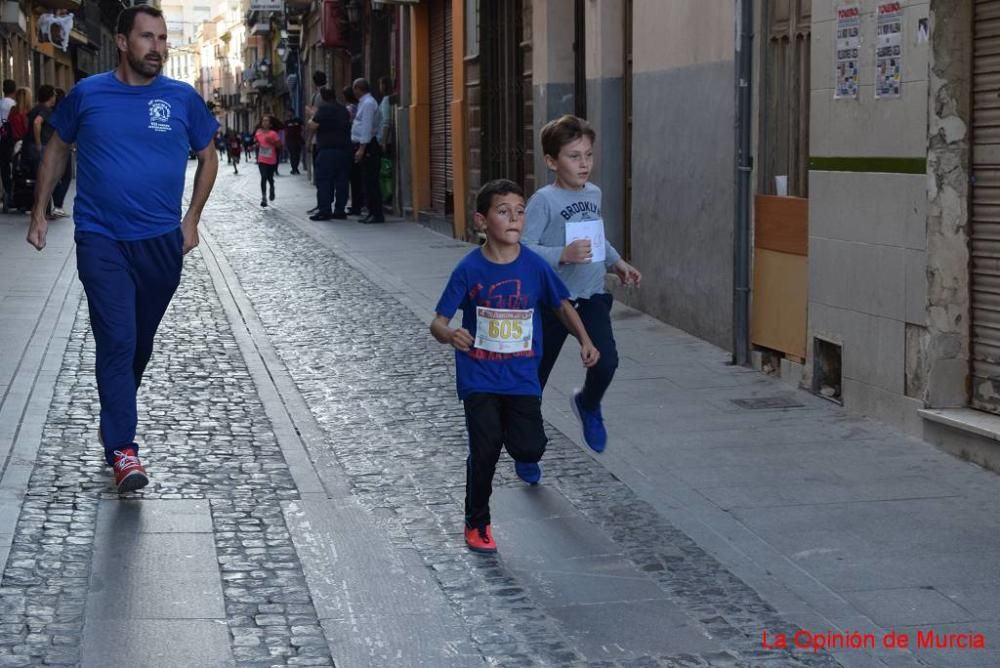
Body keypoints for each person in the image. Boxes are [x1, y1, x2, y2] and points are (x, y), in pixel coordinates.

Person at [25, 4, 219, 493]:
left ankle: (115, 412)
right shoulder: (88, 95)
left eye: (162, 38)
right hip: (101, 238)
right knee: (116, 339)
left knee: (139, 343)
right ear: (122, 41)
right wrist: (39, 210)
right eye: (147, 38)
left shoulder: (182, 98)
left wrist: (191, 219)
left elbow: (208, 155)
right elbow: (55, 147)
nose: (157, 47)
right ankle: (123, 449)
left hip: (160, 243)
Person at [430, 179, 599, 553]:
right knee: (486, 448)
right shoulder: (469, 269)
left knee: (528, 448)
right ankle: (477, 522)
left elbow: (561, 305)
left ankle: (509, 430)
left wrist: (585, 340)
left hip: (522, 376)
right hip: (480, 375)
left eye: (520, 212)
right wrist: (451, 334)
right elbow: (438, 321)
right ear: (481, 221)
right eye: (503, 211)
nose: (514, 219)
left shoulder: (535, 266)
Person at [522, 114, 642, 454]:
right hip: (551, 303)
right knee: (533, 380)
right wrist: (563, 253)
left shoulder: (594, 193)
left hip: (590, 296)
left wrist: (616, 262)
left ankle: (588, 405)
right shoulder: (543, 201)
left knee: (606, 362)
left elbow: (596, 234)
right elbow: (524, 249)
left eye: (588, 155)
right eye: (574, 156)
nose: (584, 163)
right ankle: (527, 448)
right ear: (551, 161)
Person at [307, 87, 351, 221]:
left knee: (325, 181)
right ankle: (340, 210)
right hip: (344, 149)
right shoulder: (343, 109)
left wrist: (311, 117)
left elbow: (313, 126)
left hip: (327, 149)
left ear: (323, 98)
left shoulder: (324, 110)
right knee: (342, 180)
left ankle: (325, 210)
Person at [351, 78, 383, 223]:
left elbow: (366, 127)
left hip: (368, 146)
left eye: (354, 88)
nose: (353, 92)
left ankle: (376, 213)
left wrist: (362, 149)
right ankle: (371, 211)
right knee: (366, 180)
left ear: (359, 88)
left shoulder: (368, 103)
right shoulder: (364, 103)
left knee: (370, 181)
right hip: (365, 145)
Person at [26, 84, 56, 179]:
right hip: (41, 147)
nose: (55, 98)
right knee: (44, 179)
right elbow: (37, 122)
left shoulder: (35, 108)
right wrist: (38, 144)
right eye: (54, 95)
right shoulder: (46, 110)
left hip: (30, 146)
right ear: (50, 97)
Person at [49, 88, 71, 218]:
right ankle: (58, 205)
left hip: (51, 147)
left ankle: (55, 204)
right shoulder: (64, 111)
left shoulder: (50, 111)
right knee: (66, 175)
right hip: (63, 147)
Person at [342, 85, 364, 216]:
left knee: (354, 177)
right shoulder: (360, 107)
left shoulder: (349, 109)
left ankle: (356, 205)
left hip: (352, 144)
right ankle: (359, 203)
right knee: (359, 177)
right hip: (359, 143)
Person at [254, 114, 280, 207]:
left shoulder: (273, 134)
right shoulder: (258, 132)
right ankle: (264, 198)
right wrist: (256, 145)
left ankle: (272, 188)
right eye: (263, 121)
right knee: (263, 177)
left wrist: (272, 142)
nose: (265, 122)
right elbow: (256, 142)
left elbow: (279, 146)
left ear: (270, 124)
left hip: (271, 160)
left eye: (267, 121)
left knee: (270, 178)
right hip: (261, 159)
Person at [376, 75, 394, 205]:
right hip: (384, 140)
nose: (379, 87)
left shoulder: (386, 100)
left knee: (385, 170)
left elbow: (387, 122)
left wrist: (383, 141)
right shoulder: (384, 100)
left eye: (381, 84)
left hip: (385, 141)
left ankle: (387, 194)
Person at [0, 79, 17, 209]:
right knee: (14, 164)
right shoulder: (14, 105)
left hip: (2, 137)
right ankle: (12, 191)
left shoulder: (0, 103)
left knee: (4, 166)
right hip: (12, 139)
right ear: (14, 90)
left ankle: (6, 190)